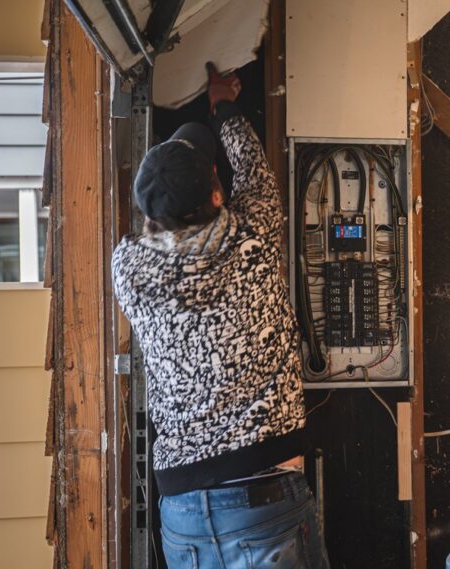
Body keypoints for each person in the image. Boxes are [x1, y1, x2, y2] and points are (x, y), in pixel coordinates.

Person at [112, 63, 328, 569]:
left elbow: (163, 235)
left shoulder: (127, 269)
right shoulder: (253, 235)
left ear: (147, 215)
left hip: (181, 511)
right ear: (216, 193)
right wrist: (224, 105)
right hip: (263, 496)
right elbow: (252, 167)